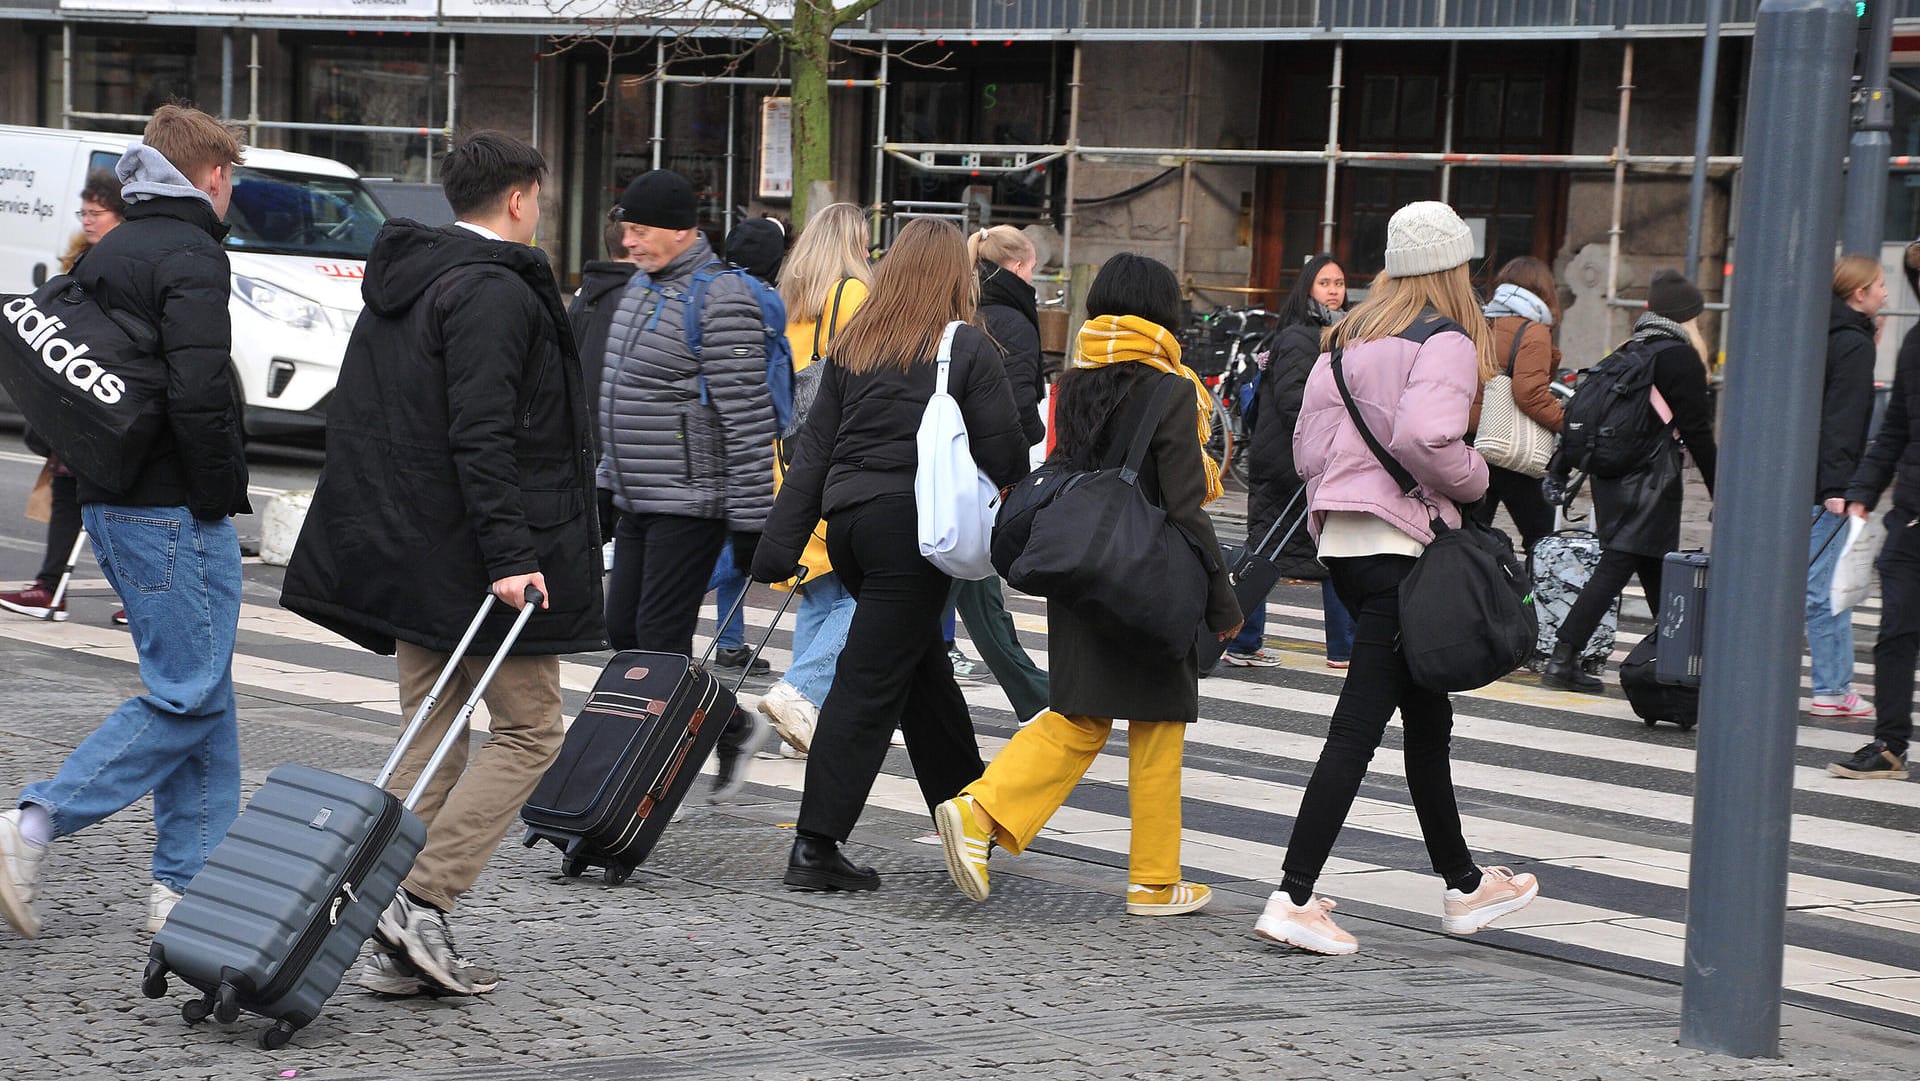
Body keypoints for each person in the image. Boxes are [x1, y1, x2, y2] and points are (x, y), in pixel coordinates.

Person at [279, 131, 605, 995]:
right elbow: (482, 432)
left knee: (432, 740)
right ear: (521, 197)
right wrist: (510, 553)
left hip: (416, 550)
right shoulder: (493, 291)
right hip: (480, 556)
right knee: (532, 729)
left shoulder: (405, 280)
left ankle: (397, 922)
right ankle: (418, 897)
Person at [1253, 201, 1540, 955]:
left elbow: (1306, 448)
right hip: (1401, 548)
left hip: (1345, 543)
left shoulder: (1345, 339)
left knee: (1426, 719)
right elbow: (1425, 437)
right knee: (1356, 728)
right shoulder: (1443, 341)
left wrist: (1340, 506)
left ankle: (1464, 883)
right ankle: (1293, 892)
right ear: (1453, 269)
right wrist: (1475, 481)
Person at [0, 104, 251, 941]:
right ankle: (31, 822)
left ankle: (187, 889)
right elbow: (201, 393)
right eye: (231, 176)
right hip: (170, 506)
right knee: (186, 695)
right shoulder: (192, 255)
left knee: (204, 694)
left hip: (110, 497)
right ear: (212, 176)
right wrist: (216, 498)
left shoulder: (116, 246)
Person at [932, 252, 1242, 914]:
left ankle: (982, 815)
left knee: (1078, 713)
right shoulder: (1172, 389)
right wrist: (1222, 598)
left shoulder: (1074, 382)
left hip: (1081, 568)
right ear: (1163, 312)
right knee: (1157, 729)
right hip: (1148, 575)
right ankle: (1152, 881)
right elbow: (1185, 507)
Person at [750, 219, 1029, 892]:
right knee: (867, 686)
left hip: (849, 526)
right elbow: (1007, 455)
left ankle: (970, 813)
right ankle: (815, 846)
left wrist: (776, 548)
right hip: (914, 531)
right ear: (953, 278)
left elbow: (812, 452)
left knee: (922, 677)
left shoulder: (858, 342)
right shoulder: (966, 346)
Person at [598, 169, 777, 796]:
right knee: (624, 631)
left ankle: (642, 781)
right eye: (626, 229)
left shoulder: (721, 298)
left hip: (692, 498)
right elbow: (623, 395)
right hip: (638, 494)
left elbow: (748, 417)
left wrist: (755, 520)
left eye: (642, 231)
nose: (630, 242)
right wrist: (605, 482)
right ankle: (731, 726)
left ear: (682, 231)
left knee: (659, 641)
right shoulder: (641, 287)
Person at [1540, 269, 1718, 692]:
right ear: (1688, 317)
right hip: (1651, 483)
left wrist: (1560, 467)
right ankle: (1563, 659)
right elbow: (1698, 432)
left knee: (1655, 567)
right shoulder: (1679, 357)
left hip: (1612, 478)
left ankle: (1677, 663)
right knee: (1619, 565)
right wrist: (1721, 491)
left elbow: (1584, 417)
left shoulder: (1627, 350)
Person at [758, 202, 872, 756]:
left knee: (819, 595)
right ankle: (800, 691)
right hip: (834, 460)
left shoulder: (789, 299)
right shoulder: (851, 295)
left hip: (788, 461)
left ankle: (801, 719)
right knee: (861, 592)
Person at [0, 170, 130, 627]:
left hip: (105, 393)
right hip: (78, 393)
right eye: (84, 213)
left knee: (115, 505)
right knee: (69, 490)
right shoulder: (84, 258)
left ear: (121, 215)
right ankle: (51, 587)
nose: (88, 221)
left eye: (97, 213)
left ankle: (137, 597)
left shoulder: (126, 262)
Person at [1230, 252, 1355, 669]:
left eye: (1339, 282)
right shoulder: (1302, 337)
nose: (1335, 290)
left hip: (1307, 459)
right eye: (1325, 283)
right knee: (1309, 550)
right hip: (1292, 462)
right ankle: (1244, 641)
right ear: (1307, 289)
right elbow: (1294, 403)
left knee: (1299, 550)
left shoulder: (1337, 333)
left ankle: (1246, 641)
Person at [949, 225, 1052, 723]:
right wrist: (1026, 446)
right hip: (982, 472)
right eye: (1033, 268)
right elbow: (1014, 404)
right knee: (969, 583)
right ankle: (815, 689)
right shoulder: (1014, 319)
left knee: (976, 587)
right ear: (1016, 267)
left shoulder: (966, 306)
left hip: (951, 466)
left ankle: (1034, 692)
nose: (1035, 278)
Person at [1836, 239, 1920, 780]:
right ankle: (1889, 744)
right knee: (1895, 633)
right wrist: (1864, 489)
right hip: (1911, 519)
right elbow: (1895, 429)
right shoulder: (1916, 344)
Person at [700, 216, 791, 676]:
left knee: (734, 538)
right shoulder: (765, 300)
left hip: (702, 433)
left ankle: (731, 640)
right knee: (742, 547)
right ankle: (663, 603)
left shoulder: (709, 285)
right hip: (746, 438)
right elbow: (765, 381)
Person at [1805, 255, 1884, 720]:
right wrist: (1840, 485)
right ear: (1858, 293)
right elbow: (1845, 420)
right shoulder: (1854, 345)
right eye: (1879, 285)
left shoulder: (1819, 333)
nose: (1885, 293)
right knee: (1828, 586)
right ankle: (1832, 688)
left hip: (1801, 477)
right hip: (1827, 483)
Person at [1470, 256, 1566, 555]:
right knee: (1541, 538)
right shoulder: (1533, 330)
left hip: (1473, 443)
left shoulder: (1481, 322)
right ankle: (1534, 599)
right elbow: (1530, 393)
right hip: (1512, 448)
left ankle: (1468, 595)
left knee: (1469, 534)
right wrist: (1566, 422)